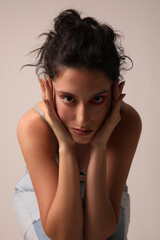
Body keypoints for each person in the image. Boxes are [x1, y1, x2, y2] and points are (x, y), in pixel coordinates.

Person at [13, 8, 142, 240]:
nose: (82, 118)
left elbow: (98, 233)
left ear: (114, 91)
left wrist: (100, 145)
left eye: (97, 99)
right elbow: (65, 235)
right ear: (49, 89)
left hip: (104, 190)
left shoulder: (126, 122)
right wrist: (66, 146)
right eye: (69, 98)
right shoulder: (33, 125)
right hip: (45, 193)